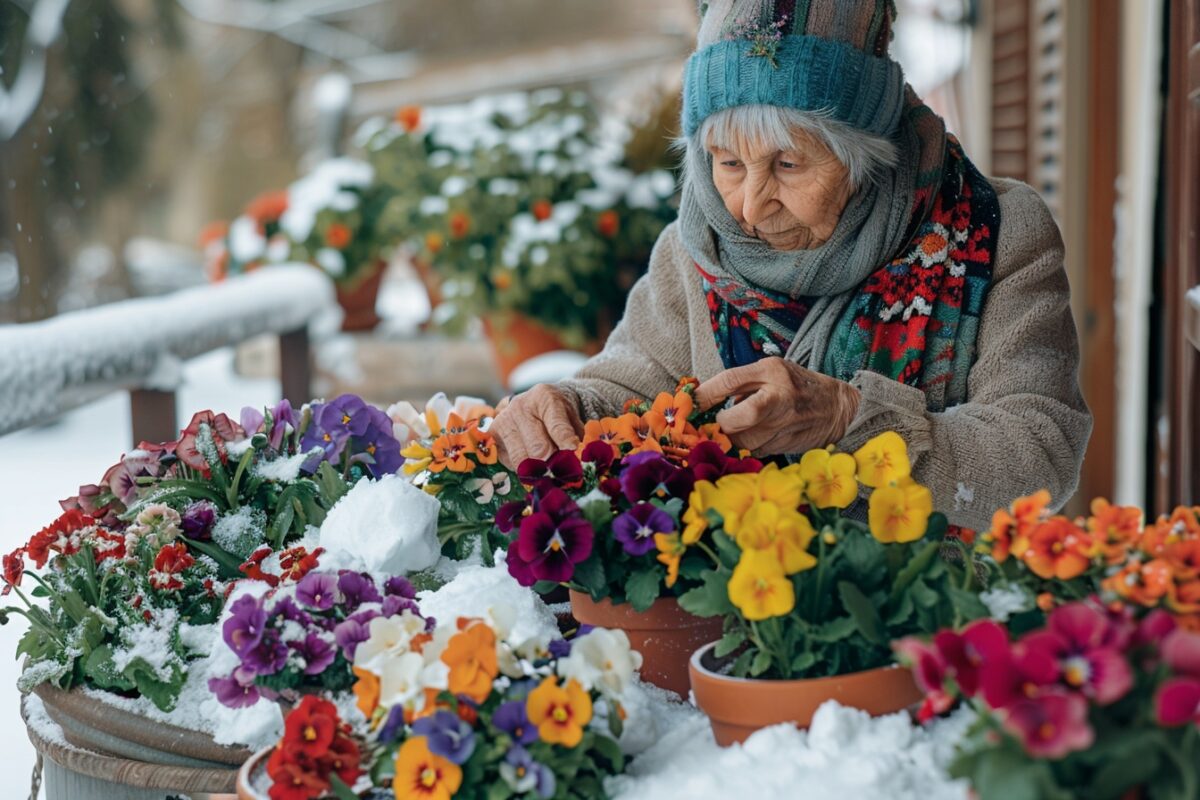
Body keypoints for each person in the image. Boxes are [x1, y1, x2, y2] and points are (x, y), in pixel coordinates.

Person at [491, 0, 1092, 531]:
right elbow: (628, 386)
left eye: (787, 165)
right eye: (727, 164)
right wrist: (568, 408)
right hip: (736, 623)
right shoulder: (695, 249)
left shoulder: (994, 234)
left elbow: (1039, 456)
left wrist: (851, 418)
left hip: (935, 626)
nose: (750, 205)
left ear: (868, 153)